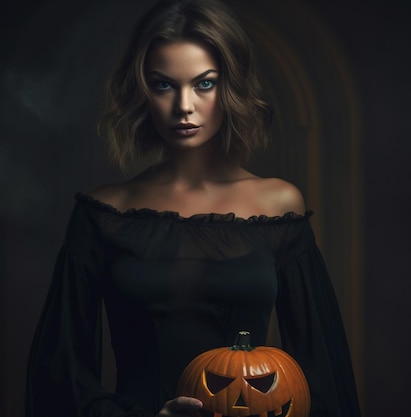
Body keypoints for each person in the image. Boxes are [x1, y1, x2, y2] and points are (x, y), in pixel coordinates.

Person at [25, 0, 361, 416]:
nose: (184, 105)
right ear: (142, 91)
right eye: (164, 84)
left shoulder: (277, 205)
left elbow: (321, 370)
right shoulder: (104, 213)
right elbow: (59, 371)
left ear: (230, 87)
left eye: (204, 83)